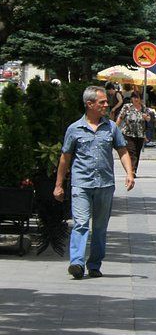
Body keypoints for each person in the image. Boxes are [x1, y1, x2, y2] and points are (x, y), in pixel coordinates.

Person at [54, 86, 135, 278]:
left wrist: (130, 173)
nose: (107, 105)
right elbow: (65, 157)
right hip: (81, 183)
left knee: (99, 227)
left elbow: (122, 151)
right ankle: (77, 263)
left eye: (106, 102)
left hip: (105, 185)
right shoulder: (74, 129)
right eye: (102, 102)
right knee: (81, 223)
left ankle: (95, 264)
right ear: (90, 104)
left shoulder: (111, 127)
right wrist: (58, 185)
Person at [116, 92, 154, 177]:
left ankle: (134, 169)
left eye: (138, 98)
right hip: (128, 133)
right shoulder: (127, 107)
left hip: (140, 134)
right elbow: (120, 117)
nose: (136, 99)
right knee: (131, 151)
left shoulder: (143, 107)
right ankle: (131, 170)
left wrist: (146, 117)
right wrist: (115, 128)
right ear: (131, 99)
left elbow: (148, 119)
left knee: (137, 152)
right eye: (134, 97)